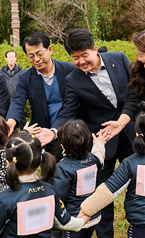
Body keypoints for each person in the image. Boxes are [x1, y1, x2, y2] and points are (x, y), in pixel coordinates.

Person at [38, 29, 135, 238]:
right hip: (101, 143)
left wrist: (122, 121)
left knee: (139, 185)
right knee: (101, 195)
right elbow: (68, 111)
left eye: (84, 55)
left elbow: (133, 94)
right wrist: (54, 132)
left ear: (94, 48)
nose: (81, 61)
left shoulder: (119, 59)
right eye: (75, 58)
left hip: (129, 135)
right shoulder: (73, 80)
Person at [0, 131, 89, 237]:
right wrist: (84, 219)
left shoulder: (5, 199)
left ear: (8, 163)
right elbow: (67, 222)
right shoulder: (50, 191)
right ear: (40, 159)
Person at [6, 32, 75, 162]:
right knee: (50, 174)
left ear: (49, 50)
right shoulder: (26, 78)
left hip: (70, 131)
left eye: (39, 54)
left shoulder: (69, 70)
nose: (36, 59)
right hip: (44, 133)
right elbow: (18, 101)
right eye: (31, 56)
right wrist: (10, 121)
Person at [79, 101, 145, 238]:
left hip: (139, 228)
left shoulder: (131, 163)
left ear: (137, 134)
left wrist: (85, 210)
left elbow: (108, 191)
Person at [54, 119, 107, 238]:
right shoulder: (93, 160)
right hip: (93, 215)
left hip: (75, 220)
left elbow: (58, 196)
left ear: (62, 145)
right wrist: (99, 143)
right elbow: (100, 156)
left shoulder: (63, 168)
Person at [0, 50, 26, 129]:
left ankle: (26, 137)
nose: (11, 59)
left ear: (16, 58)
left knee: (22, 120)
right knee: (6, 122)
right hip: (5, 100)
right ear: (6, 59)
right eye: (9, 57)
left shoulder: (21, 71)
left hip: (17, 99)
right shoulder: (1, 71)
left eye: (13, 57)